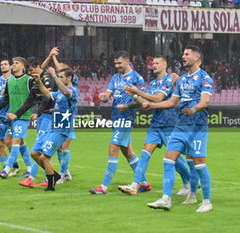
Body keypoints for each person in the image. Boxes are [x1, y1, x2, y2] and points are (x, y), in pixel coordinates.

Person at [146, 45, 213, 213]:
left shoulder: (205, 78)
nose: (183, 56)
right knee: (168, 161)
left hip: (197, 128)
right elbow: (171, 102)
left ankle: (206, 201)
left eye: (187, 54)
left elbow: (205, 101)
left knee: (199, 165)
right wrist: (152, 105)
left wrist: (193, 110)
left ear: (197, 58)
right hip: (180, 127)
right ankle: (166, 199)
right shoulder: (182, 80)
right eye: (183, 53)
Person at [117, 56, 191, 196]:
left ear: (165, 65)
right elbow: (146, 101)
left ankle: (189, 182)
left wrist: (138, 91)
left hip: (169, 123)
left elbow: (158, 99)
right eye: (153, 63)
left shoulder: (169, 80)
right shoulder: (152, 83)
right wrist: (133, 96)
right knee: (145, 153)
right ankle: (135, 185)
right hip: (156, 123)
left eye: (157, 63)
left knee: (175, 158)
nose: (154, 65)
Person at [88, 51, 145, 194]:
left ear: (127, 61)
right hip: (116, 117)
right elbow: (108, 96)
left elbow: (142, 102)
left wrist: (127, 106)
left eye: (119, 63)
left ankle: (104, 187)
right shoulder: (115, 77)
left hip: (127, 117)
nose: (117, 66)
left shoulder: (137, 78)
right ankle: (144, 182)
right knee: (128, 152)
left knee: (113, 147)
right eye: (116, 64)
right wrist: (103, 97)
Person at [29, 67, 78, 191]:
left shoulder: (73, 90)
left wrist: (54, 77)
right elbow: (47, 94)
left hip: (62, 127)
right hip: (51, 125)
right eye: (59, 76)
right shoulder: (60, 92)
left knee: (45, 156)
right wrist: (39, 81)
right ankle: (54, 175)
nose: (59, 79)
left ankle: (51, 184)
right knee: (34, 153)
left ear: (69, 78)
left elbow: (67, 93)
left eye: (62, 77)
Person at [17, 56, 58, 187]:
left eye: (31, 70)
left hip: (50, 116)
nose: (30, 73)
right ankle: (49, 177)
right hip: (43, 117)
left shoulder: (47, 78)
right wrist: (17, 114)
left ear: (38, 66)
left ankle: (42, 178)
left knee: (40, 149)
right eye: (28, 71)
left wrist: (37, 112)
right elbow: (30, 100)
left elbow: (47, 99)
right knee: (39, 150)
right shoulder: (36, 81)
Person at [41, 48, 79, 183]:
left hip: (67, 117)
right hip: (57, 117)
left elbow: (60, 73)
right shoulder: (60, 86)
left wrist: (54, 58)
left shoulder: (72, 84)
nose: (59, 72)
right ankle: (65, 171)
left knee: (65, 145)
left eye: (62, 72)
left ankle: (63, 174)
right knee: (58, 147)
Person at [0, 57, 33, 178]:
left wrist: (24, 112)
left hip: (23, 117)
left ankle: (6, 170)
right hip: (13, 117)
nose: (13, 65)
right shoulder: (9, 81)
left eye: (16, 63)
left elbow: (34, 98)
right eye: (13, 63)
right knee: (17, 143)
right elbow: (6, 100)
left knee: (15, 141)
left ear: (23, 66)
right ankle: (30, 169)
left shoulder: (29, 80)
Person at [0, 59, 25, 177]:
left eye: (5, 64)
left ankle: (21, 166)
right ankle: (8, 168)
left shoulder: (16, 80)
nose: (3, 66)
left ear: (11, 66)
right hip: (1, 116)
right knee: (1, 143)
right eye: (1, 64)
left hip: (13, 115)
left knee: (13, 142)